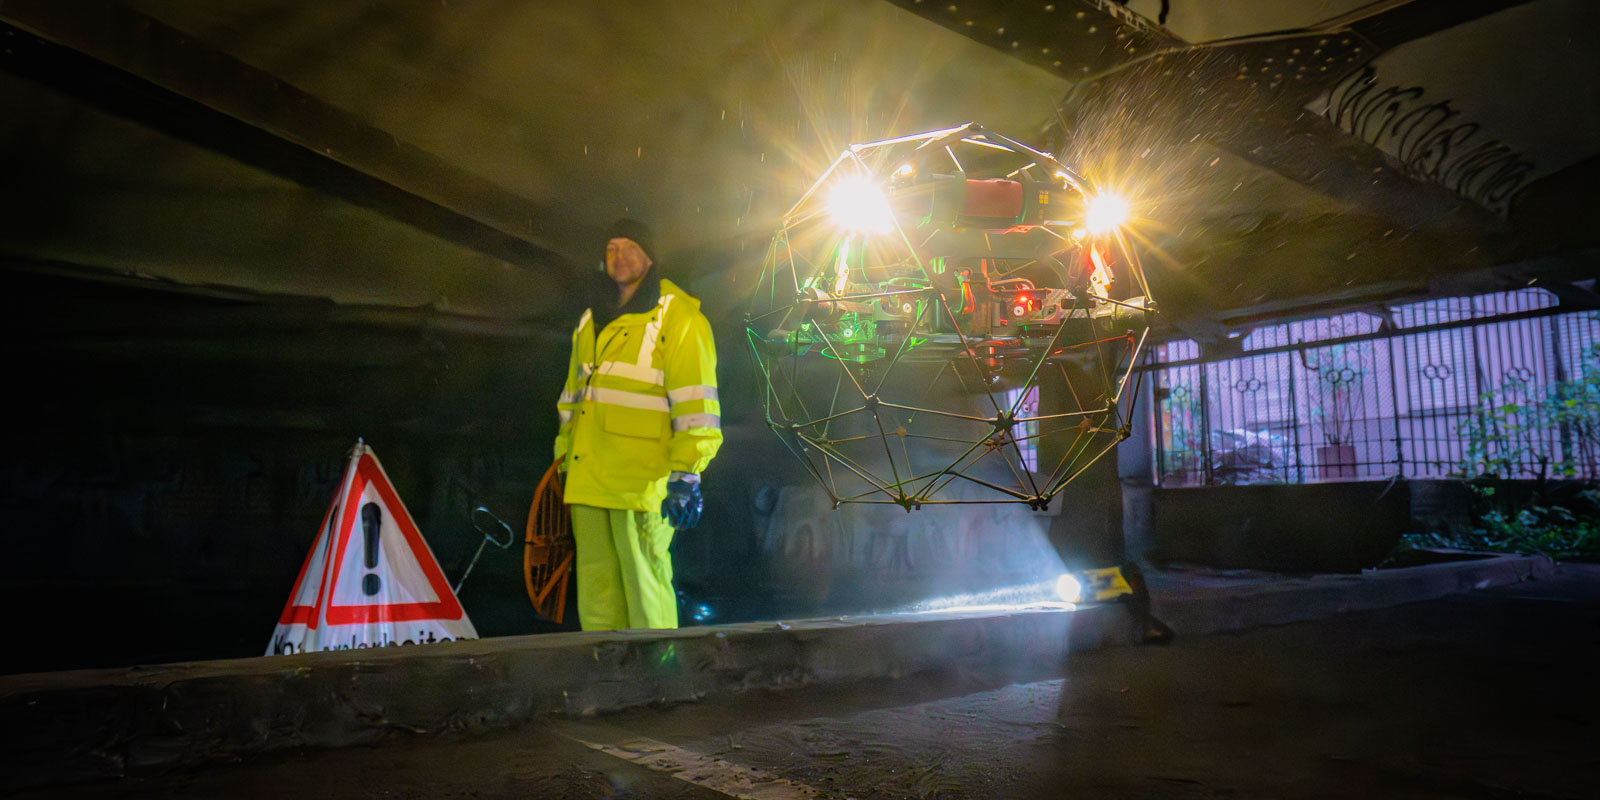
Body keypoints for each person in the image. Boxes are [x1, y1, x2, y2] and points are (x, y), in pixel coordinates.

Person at [552, 219, 722, 630]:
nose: (618, 256)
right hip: (590, 476)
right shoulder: (591, 318)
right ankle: (611, 681)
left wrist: (686, 474)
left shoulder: (678, 318)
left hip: (642, 482)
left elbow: (696, 406)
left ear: (650, 257)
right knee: (597, 596)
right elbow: (572, 397)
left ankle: (659, 685)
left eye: (629, 247)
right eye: (611, 247)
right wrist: (564, 459)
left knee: (645, 592)